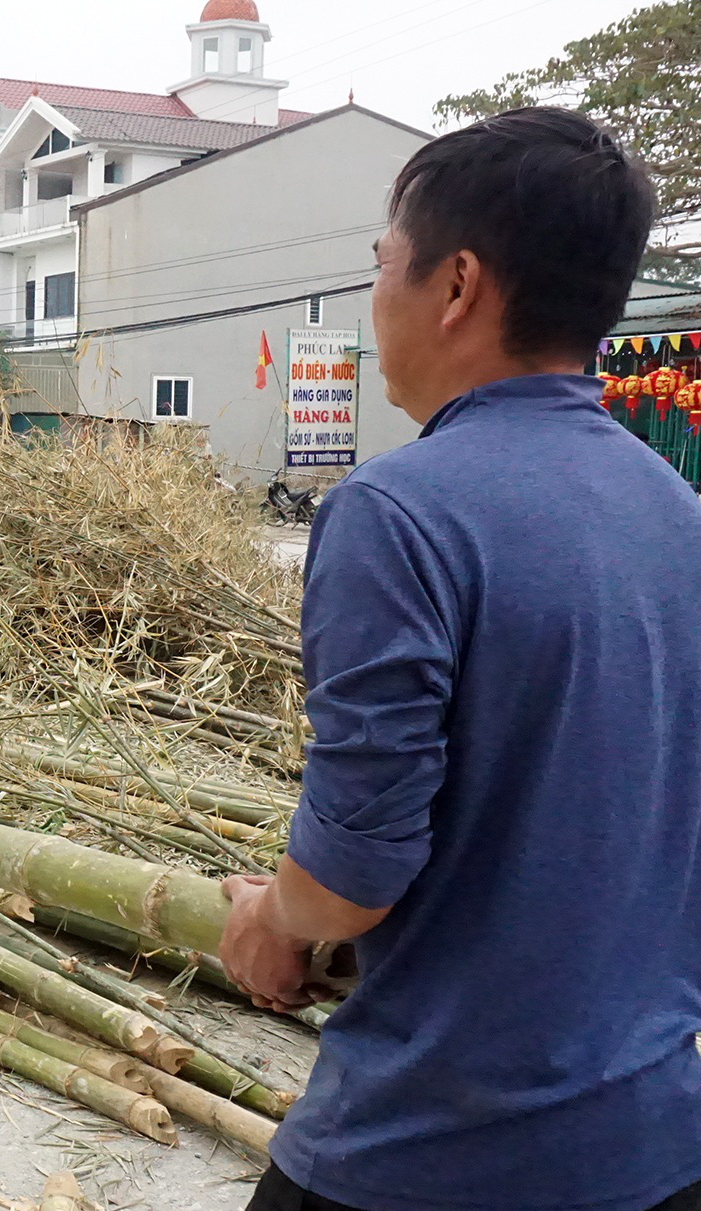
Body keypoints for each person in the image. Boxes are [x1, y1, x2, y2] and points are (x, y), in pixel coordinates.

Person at [220, 107, 701, 1211]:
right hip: (654, 1151)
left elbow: (349, 877)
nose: (374, 292)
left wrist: (266, 922)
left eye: (381, 262)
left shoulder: (396, 513)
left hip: (429, 1154)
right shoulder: (677, 514)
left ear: (455, 285)